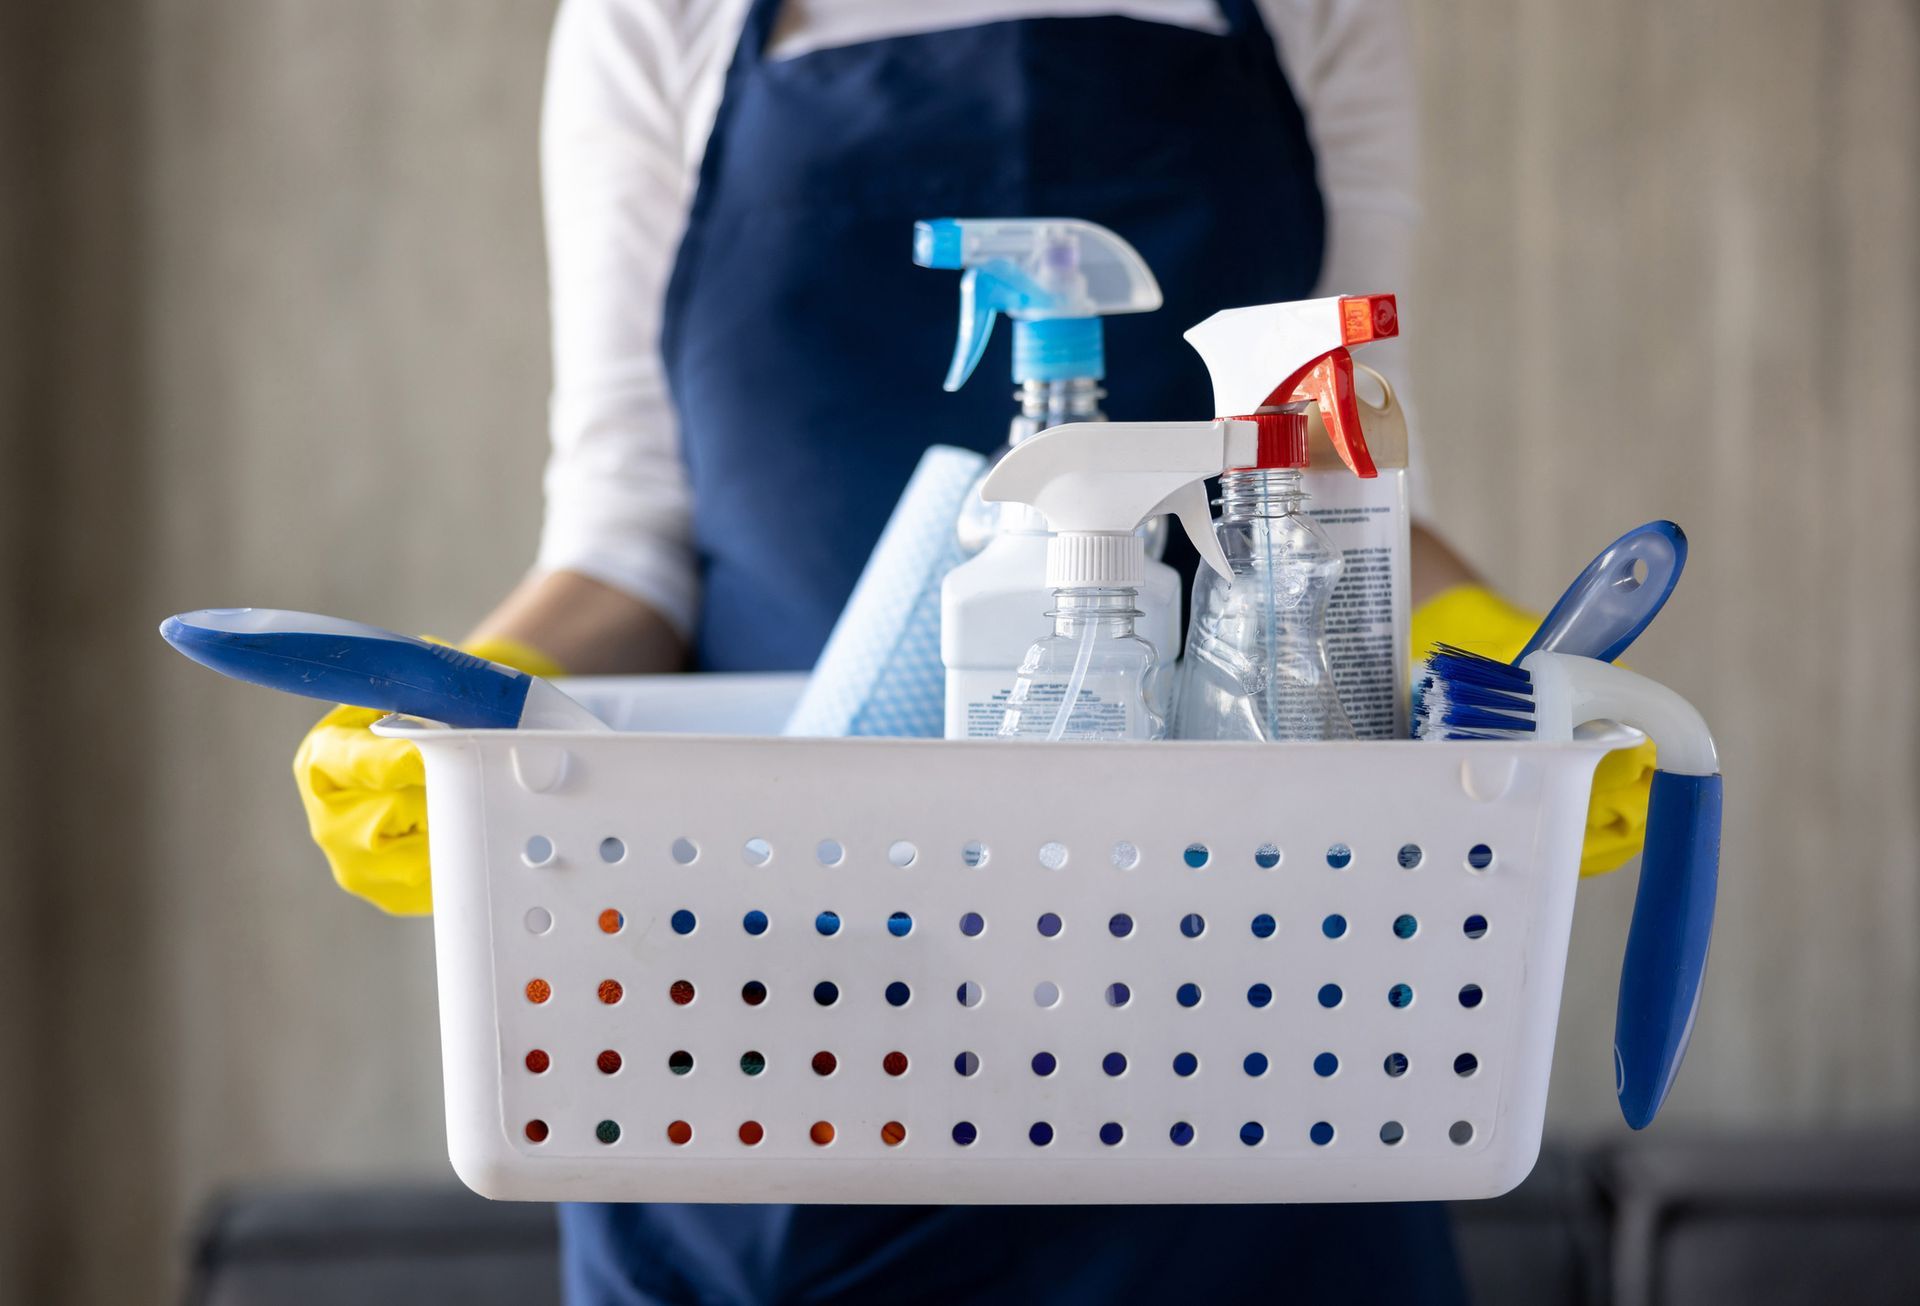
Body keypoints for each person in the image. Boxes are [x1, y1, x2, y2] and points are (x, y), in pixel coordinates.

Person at [294, 1, 1654, 1300]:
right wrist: (454, 706)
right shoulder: (660, 15)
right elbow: (627, 539)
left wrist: (1506, 669)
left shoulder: (1312, 10)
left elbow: (1343, 487)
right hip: (757, 1050)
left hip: (1242, 1056)